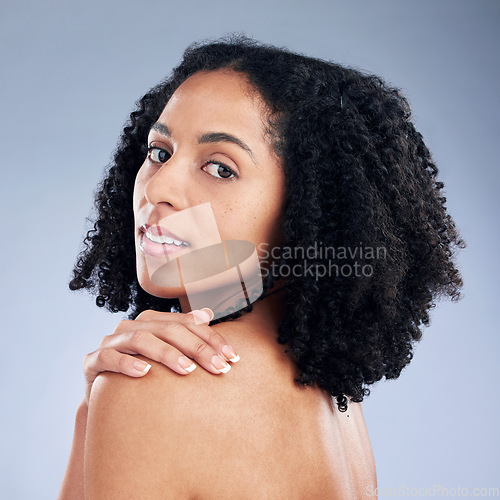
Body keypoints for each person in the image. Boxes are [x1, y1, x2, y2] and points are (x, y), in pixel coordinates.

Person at [58, 34, 465, 499]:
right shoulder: (336, 400)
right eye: (160, 152)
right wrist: (91, 408)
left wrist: (117, 394)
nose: (157, 188)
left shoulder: (162, 383)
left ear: (308, 215)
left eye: (220, 168)